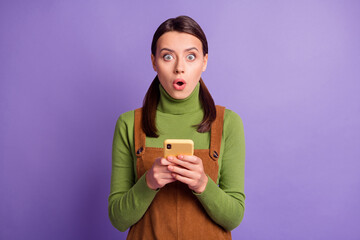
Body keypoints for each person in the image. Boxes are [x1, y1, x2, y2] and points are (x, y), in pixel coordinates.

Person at [108, 15, 245, 240]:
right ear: (154, 62)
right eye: (168, 56)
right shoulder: (129, 123)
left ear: (204, 62)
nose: (179, 68)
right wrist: (149, 182)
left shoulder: (228, 123)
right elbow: (118, 219)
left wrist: (202, 184)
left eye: (191, 56)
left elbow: (233, 218)